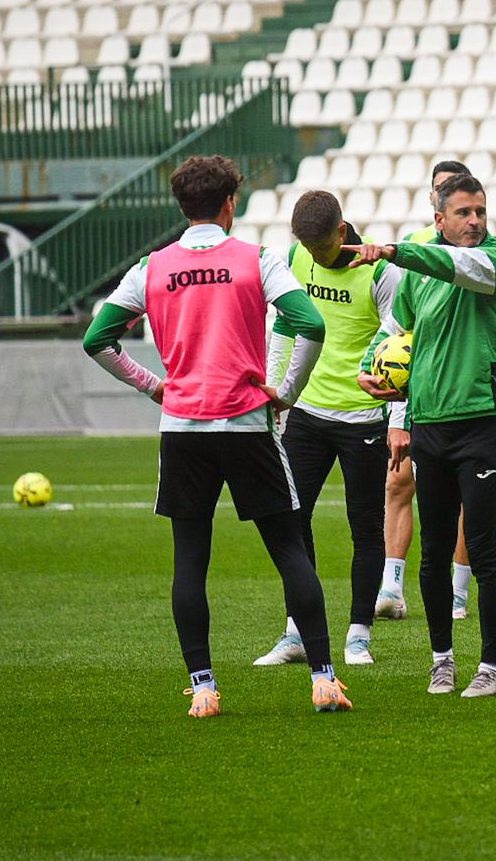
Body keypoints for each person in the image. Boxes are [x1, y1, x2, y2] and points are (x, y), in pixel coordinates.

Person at [81, 154, 351, 717]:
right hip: (247, 421)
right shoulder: (257, 259)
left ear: (184, 206)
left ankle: (203, 687)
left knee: (190, 558)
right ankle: (324, 679)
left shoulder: (151, 268)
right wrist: (286, 392)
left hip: (183, 427)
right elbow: (312, 324)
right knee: (288, 547)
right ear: (230, 204)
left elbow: (97, 339)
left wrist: (152, 386)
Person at [353, 174, 496, 698]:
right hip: (430, 424)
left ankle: (490, 667)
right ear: (439, 219)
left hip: (482, 423)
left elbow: (455, 265)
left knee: (485, 553)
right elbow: (393, 331)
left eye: (481, 212)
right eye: (464, 213)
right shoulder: (417, 275)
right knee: (433, 551)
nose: (475, 221)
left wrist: (392, 251)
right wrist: (369, 367)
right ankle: (442, 660)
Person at [252, 190, 405, 668]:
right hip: (306, 413)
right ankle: (296, 631)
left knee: (364, 528)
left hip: (362, 417)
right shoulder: (297, 255)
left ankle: (359, 635)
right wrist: (277, 393)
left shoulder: (382, 272)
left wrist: (398, 421)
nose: (316, 257)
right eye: (310, 250)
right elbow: (284, 325)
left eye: (323, 248)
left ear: (342, 232)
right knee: (291, 520)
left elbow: (402, 348)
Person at [373, 160, 477, 625]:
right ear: (434, 203)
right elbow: (398, 330)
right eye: (440, 191)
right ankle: (391, 587)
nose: (444, 195)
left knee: (464, 498)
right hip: (418, 390)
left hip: (464, 392)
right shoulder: (412, 248)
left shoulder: (480, 250)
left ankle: (457, 590)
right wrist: (395, 409)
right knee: (398, 481)